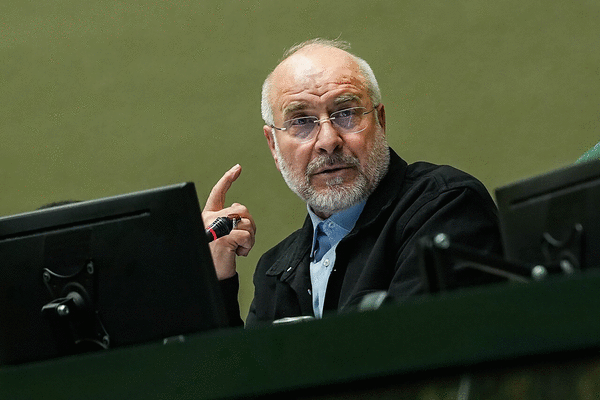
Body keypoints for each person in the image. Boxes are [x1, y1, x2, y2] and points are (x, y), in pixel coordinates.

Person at [203, 38, 503, 327]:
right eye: (302, 121)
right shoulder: (276, 270)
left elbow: (415, 350)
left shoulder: (446, 207)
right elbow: (237, 365)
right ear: (273, 145)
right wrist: (214, 277)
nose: (328, 141)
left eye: (346, 113)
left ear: (380, 121)